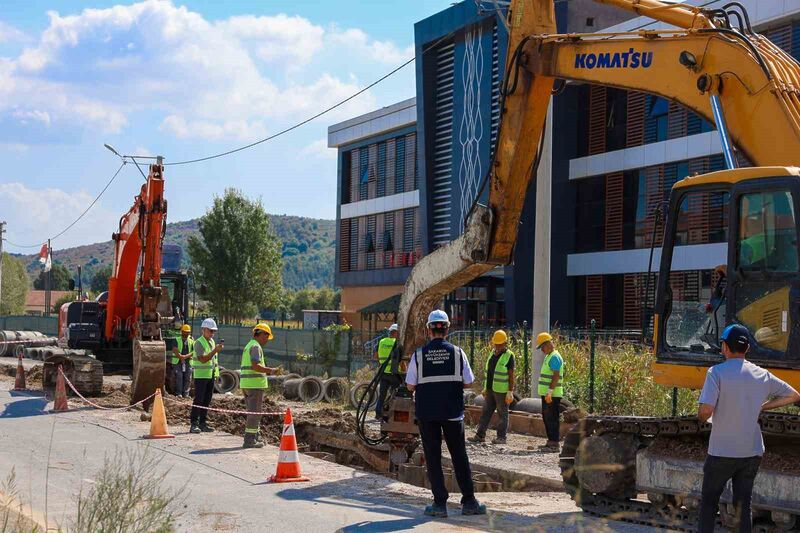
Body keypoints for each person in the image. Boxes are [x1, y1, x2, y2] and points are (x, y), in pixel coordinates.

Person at [697, 324, 800, 533]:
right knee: (744, 506)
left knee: (708, 504)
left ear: (724, 347)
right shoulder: (762, 374)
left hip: (722, 452)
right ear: (747, 349)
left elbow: (705, 411)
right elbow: (794, 395)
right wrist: (763, 406)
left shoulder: (716, 373)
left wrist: (704, 416)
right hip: (751, 452)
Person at [406, 310, 486, 518]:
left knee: (433, 458)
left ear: (429, 330)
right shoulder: (458, 353)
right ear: (447, 329)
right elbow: (468, 381)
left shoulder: (418, 355)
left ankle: (439, 504)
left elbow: (410, 385)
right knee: (459, 456)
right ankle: (469, 501)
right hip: (452, 413)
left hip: (427, 414)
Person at [469, 329, 515, 445]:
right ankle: (480, 435)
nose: (498, 346)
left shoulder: (509, 356)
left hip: (501, 391)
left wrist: (510, 391)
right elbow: (489, 373)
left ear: (505, 343)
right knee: (486, 412)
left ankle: (501, 437)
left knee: (502, 414)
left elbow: (511, 375)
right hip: (490, 390)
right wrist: (485, 388)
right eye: (496, 344)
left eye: (500, 344)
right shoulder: (492, 354)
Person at [240, 323, 279, 448]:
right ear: (261, 334)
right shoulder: (256, 347)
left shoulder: (249, 345)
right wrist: (271, 370)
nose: (267, 340)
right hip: (254, 385)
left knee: (253, 412)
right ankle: (249, 440)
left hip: (247, 384)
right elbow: (255, 366)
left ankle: (254, 437)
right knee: (255, 413)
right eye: (266, 336)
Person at [190, 318, 224, 434]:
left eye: (213, 331)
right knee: (198, 400)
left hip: (209, 375)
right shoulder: (199, 342)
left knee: (206, 400)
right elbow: (203, 359)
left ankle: (202, 423)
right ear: (203, 330)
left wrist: (216, 374)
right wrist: (215, 350)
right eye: (210, 331)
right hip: (200, 376)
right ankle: (194, 424)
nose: (212, 333)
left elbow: (214, 362)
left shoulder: (211, 342)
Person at [536, 332, 564, 450]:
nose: (542, 350)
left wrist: (550, 391)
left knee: (551, 418)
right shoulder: (549, 356)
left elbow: (556, 376)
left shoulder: (554, 357)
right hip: (548, 394)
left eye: (542, 347)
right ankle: (551, 441)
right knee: (547, 417)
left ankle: (554, 443)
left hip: (552, 394)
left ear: (548, 344)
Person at [375, 323, 399, 420]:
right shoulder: (397, 343)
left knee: (382, 394)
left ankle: (378, 413)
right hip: (395, 374)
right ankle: (388, 412)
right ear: (396, 333)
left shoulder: (381, 341)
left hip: (383, 372)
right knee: (395, 394)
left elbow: (375, 356)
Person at [171, 324, 194, 398]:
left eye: (188, 332)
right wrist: (181, 357)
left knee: (188, 377)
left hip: (188, 362)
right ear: (182, 332)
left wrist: (185, 357)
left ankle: (186, 394)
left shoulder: (191, 341)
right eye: (185, 332)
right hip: (177, 361)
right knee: (179, 376)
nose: (187, 333)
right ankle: (179, 393)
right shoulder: (176, 339)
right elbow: (175, 350)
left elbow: (194, 352)